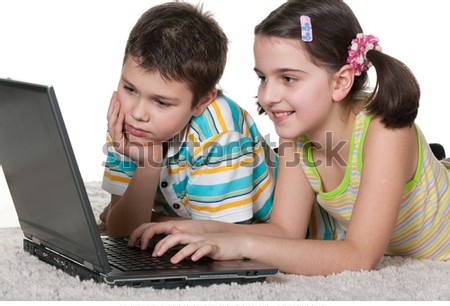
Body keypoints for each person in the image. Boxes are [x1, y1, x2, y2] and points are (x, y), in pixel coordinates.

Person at [128, 0, 449, 275]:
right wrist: (192, 229)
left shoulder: (384, 130)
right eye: (263, 78)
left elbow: (360, 256)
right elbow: (286, 230)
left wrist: (242, 243)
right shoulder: (296, 132)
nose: (268, 95)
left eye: (289, 78)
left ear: (341, 83)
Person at [100, 2, 276, 236]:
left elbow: (219, 242)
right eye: (130, 88)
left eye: (161, 102)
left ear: (202, 101)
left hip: (283, 234)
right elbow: (120, 231)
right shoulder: (129, 124)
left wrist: (155, 219)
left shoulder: (220, 136)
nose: (138, 113)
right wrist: (149, 165)